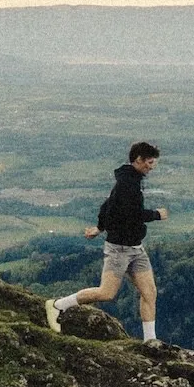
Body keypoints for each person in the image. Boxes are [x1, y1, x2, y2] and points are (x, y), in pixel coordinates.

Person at [46, 141, 167, 343]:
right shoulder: (127, 184)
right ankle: (58, 305)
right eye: (150, 162)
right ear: (138, 160)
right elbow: (132, 213)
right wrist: (156, 214)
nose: (152, 167)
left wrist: (99, 227)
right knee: (106, 293)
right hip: (119, 249)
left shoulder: (130, 180)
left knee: (150, 292)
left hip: (135, 247)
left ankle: (150, 342)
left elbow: (108, 205)